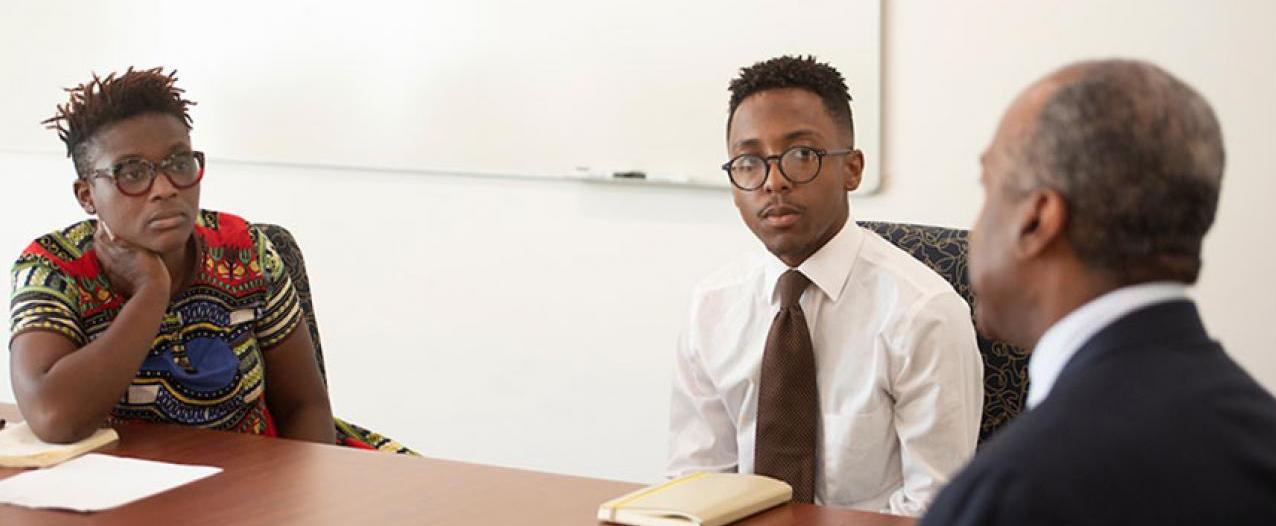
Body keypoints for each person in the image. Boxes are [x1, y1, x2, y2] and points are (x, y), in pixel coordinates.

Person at [920, 59, 1276, 525]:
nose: (976, 227)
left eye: (989, 189)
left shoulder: (1008, 494)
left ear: (1037, 220)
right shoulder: (1261, 438)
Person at [667, 55, 984, 516]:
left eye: (801, 156)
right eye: (749, 162)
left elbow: (933, 508)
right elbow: (696, 485)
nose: (773, 182)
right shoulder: (711, 307)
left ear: (852, 169)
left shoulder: (923, 313)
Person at [9, 67, 336, 445]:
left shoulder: (246, 251)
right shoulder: (53, 267)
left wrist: (303, 497)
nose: (165, 189)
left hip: (259, 480)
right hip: (120, 492)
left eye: (179, 163)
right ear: (87, 196)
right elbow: (54, 418)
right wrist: (151, 292)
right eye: (131, 172)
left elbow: (305, 406)